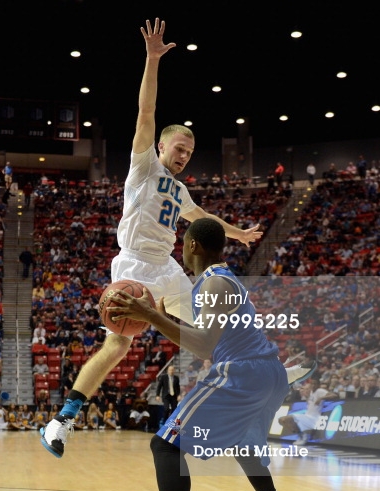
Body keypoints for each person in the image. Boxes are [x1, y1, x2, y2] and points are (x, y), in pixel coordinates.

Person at [40, 17, 310, 459]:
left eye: (189, 150)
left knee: (216, 316)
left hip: (167, 266)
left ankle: (271, 370)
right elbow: (146, 112)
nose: (183, 155)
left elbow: (201, 215)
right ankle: (62, 420)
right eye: (178, 148)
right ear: (161, 147)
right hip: (132, 264)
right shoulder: (144, 166)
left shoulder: (180, 189)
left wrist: (239, 232)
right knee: (119, 343)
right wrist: (151, 61)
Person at [108, 217, 313, 491]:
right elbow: (209, 344)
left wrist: (150, 315)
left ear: (192, 246)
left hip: (244, 372)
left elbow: (204, 344)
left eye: (183, 243)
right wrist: (157, 314)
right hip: (267, 372)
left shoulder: (215, 283)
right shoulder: (216, 282)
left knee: (166, 446)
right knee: (245, 449)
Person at [278, 378, 338, 445]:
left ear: (318, 385)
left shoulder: (319, 391)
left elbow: (334, 395)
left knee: (286, 419)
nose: (313, 385)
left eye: (315, 383)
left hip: (314, 418)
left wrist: (321, 398)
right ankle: (301, 435)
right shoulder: (311, 392)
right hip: (307, 416)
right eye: (312, 383)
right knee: (281, 420)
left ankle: (303, 436)